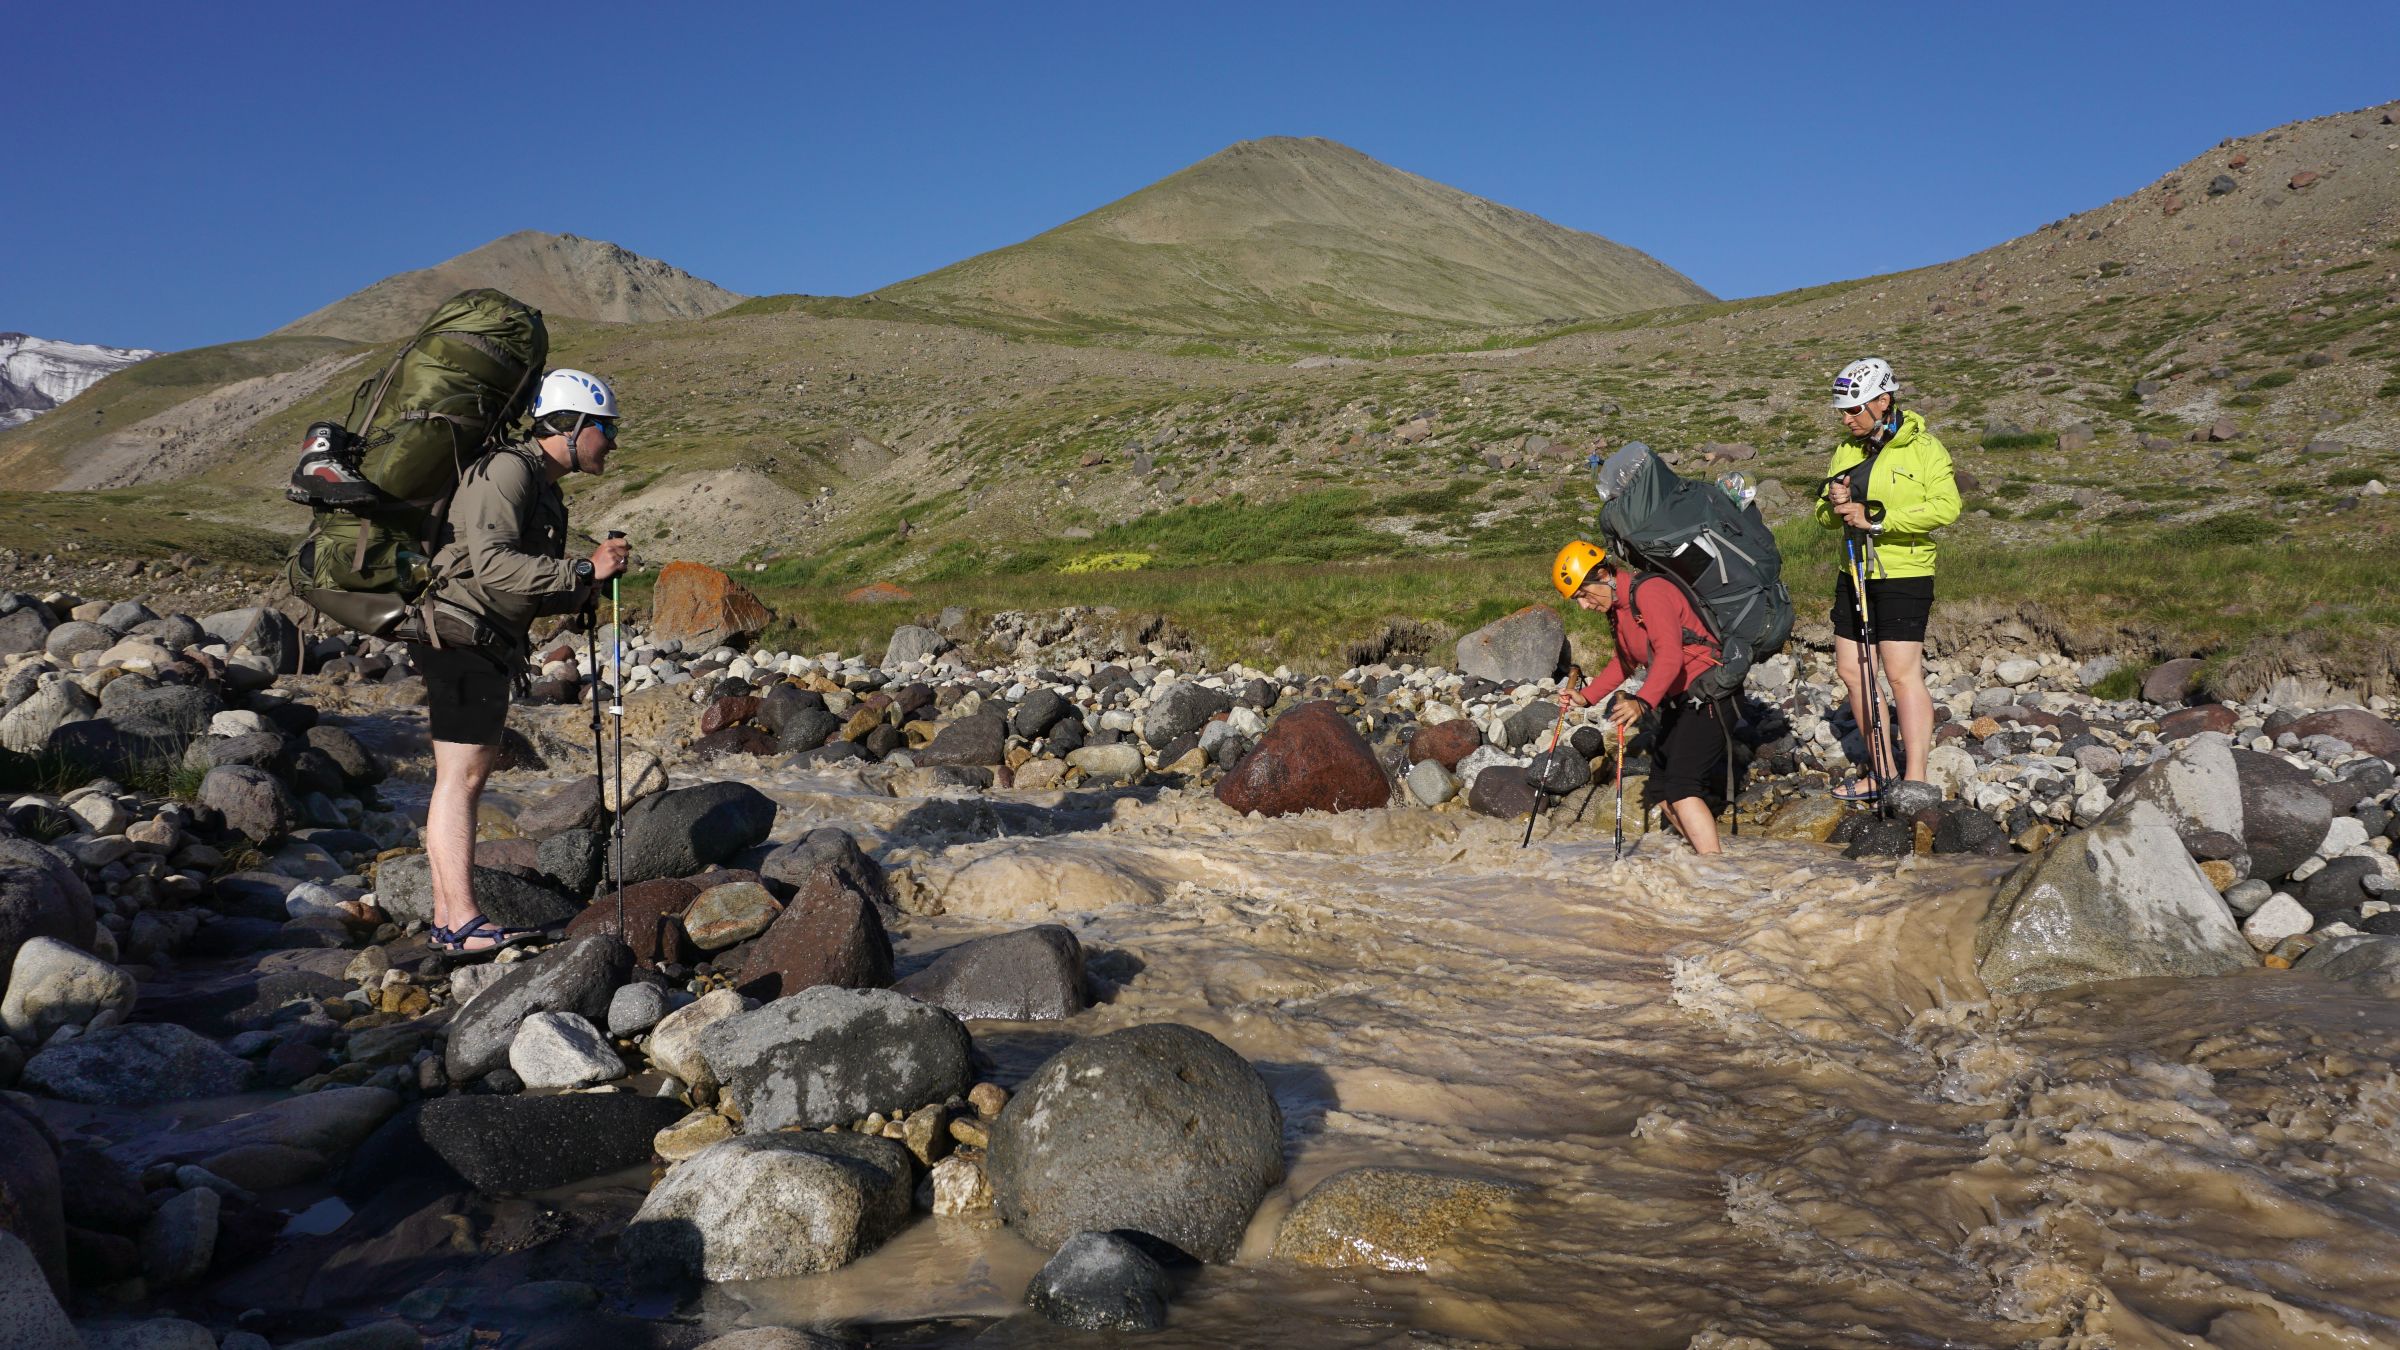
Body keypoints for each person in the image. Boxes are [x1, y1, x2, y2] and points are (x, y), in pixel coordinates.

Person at [417, 369, 630, 952]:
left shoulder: (543, 486)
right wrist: (585, 571)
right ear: (572, 425)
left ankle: (449, 919)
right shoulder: (510, 470)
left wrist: (580, 588)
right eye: (605, 428)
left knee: (461, 777)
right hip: (459, 632)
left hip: (479, 637)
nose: (612, 441)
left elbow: (523, 586)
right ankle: (460, 921)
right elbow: (494, 567)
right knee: (461, 779)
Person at [1814, 357, 1959, 801]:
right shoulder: (1845, 451)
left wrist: (1877, 519)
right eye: (1842, 410)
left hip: (1905, 572)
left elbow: (1947, 507)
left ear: (1883, 400)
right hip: (1853, 572)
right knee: (1851, 669)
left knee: (1900, 673)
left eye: (1854, 409)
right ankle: (1881, 770)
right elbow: (1823, 515)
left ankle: (1915, 778)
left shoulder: (1925, 448)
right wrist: (1834, 503)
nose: (1846, 419)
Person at [1551, 540, 1727, 855]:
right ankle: (1699, 857)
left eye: (1583, 595)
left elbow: (1671, 656)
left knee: (1682, 786)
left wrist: (1642, 701)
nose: (1583, 606)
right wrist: (1586, 697)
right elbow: (1625, 661)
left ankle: (1714, 871)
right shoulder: (1620, 609)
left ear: (1603, 575)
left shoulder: (1649, 592)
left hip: (1708, 693)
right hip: (1678, 699)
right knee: (1660, 787)